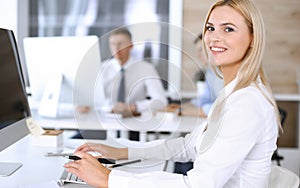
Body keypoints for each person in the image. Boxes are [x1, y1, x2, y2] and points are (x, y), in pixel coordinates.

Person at [64, 0, 281, 187]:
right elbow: (188, 146)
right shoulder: (233, 93)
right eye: (210, 28)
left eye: (229, 29)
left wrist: (109, 179)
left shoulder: (246, 103)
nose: (214, 38)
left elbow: (198, 184)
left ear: (253, 38)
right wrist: (122, 152)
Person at [80, 27, 167, 117]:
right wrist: (85, 104)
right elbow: (89, 97)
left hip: (135, 121)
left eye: (120, 44)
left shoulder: (146, 68)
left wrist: (132, 107)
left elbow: (161, 101)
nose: (116, 48)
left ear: (131, 46)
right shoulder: (101, 68)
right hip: (105, 120)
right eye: (113, 44)